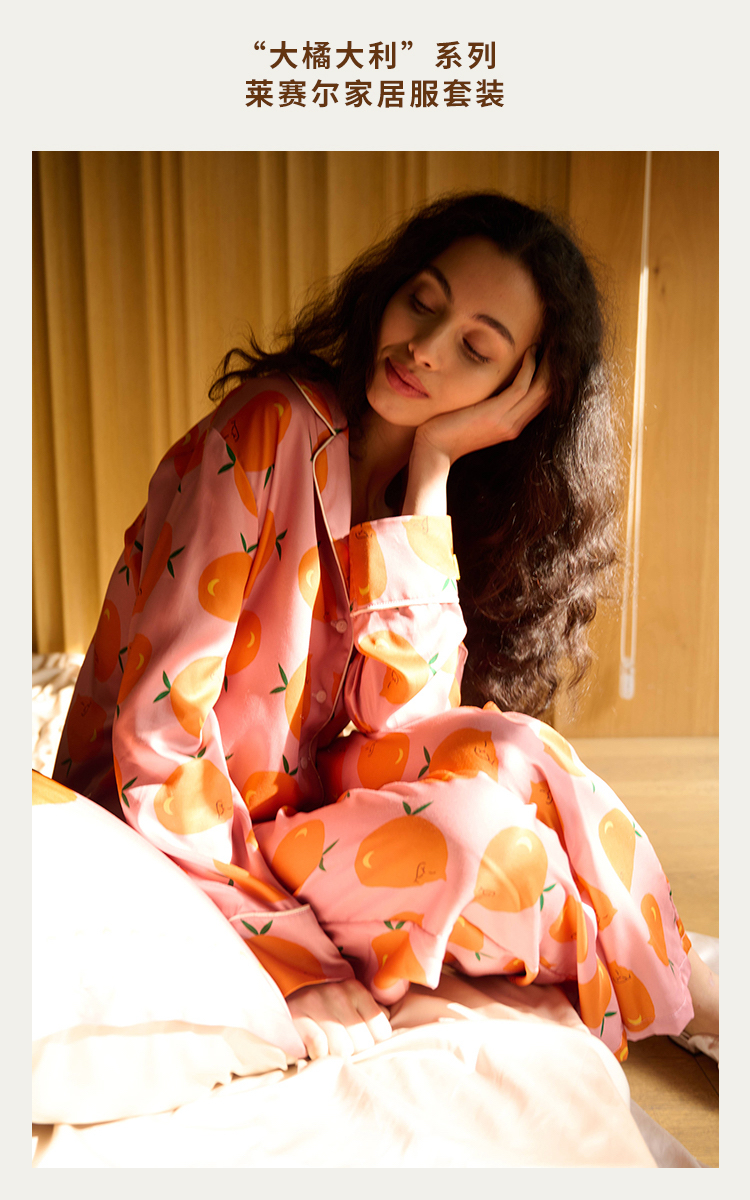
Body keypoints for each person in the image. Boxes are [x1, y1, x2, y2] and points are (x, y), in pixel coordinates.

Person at [53, 192, 718, 1065]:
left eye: (476, 349)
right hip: (183, 835)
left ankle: (686, 994)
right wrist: (292, 958)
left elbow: (407, 727)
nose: (424, 347)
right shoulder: (268, 428)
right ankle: (670, 991)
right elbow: (156, 738)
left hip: (307, 819)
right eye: (423, 303)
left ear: (518, 395)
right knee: (493, 851)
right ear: (390, 290)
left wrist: (432, 468)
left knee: (520, 752)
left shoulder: (428, 489)